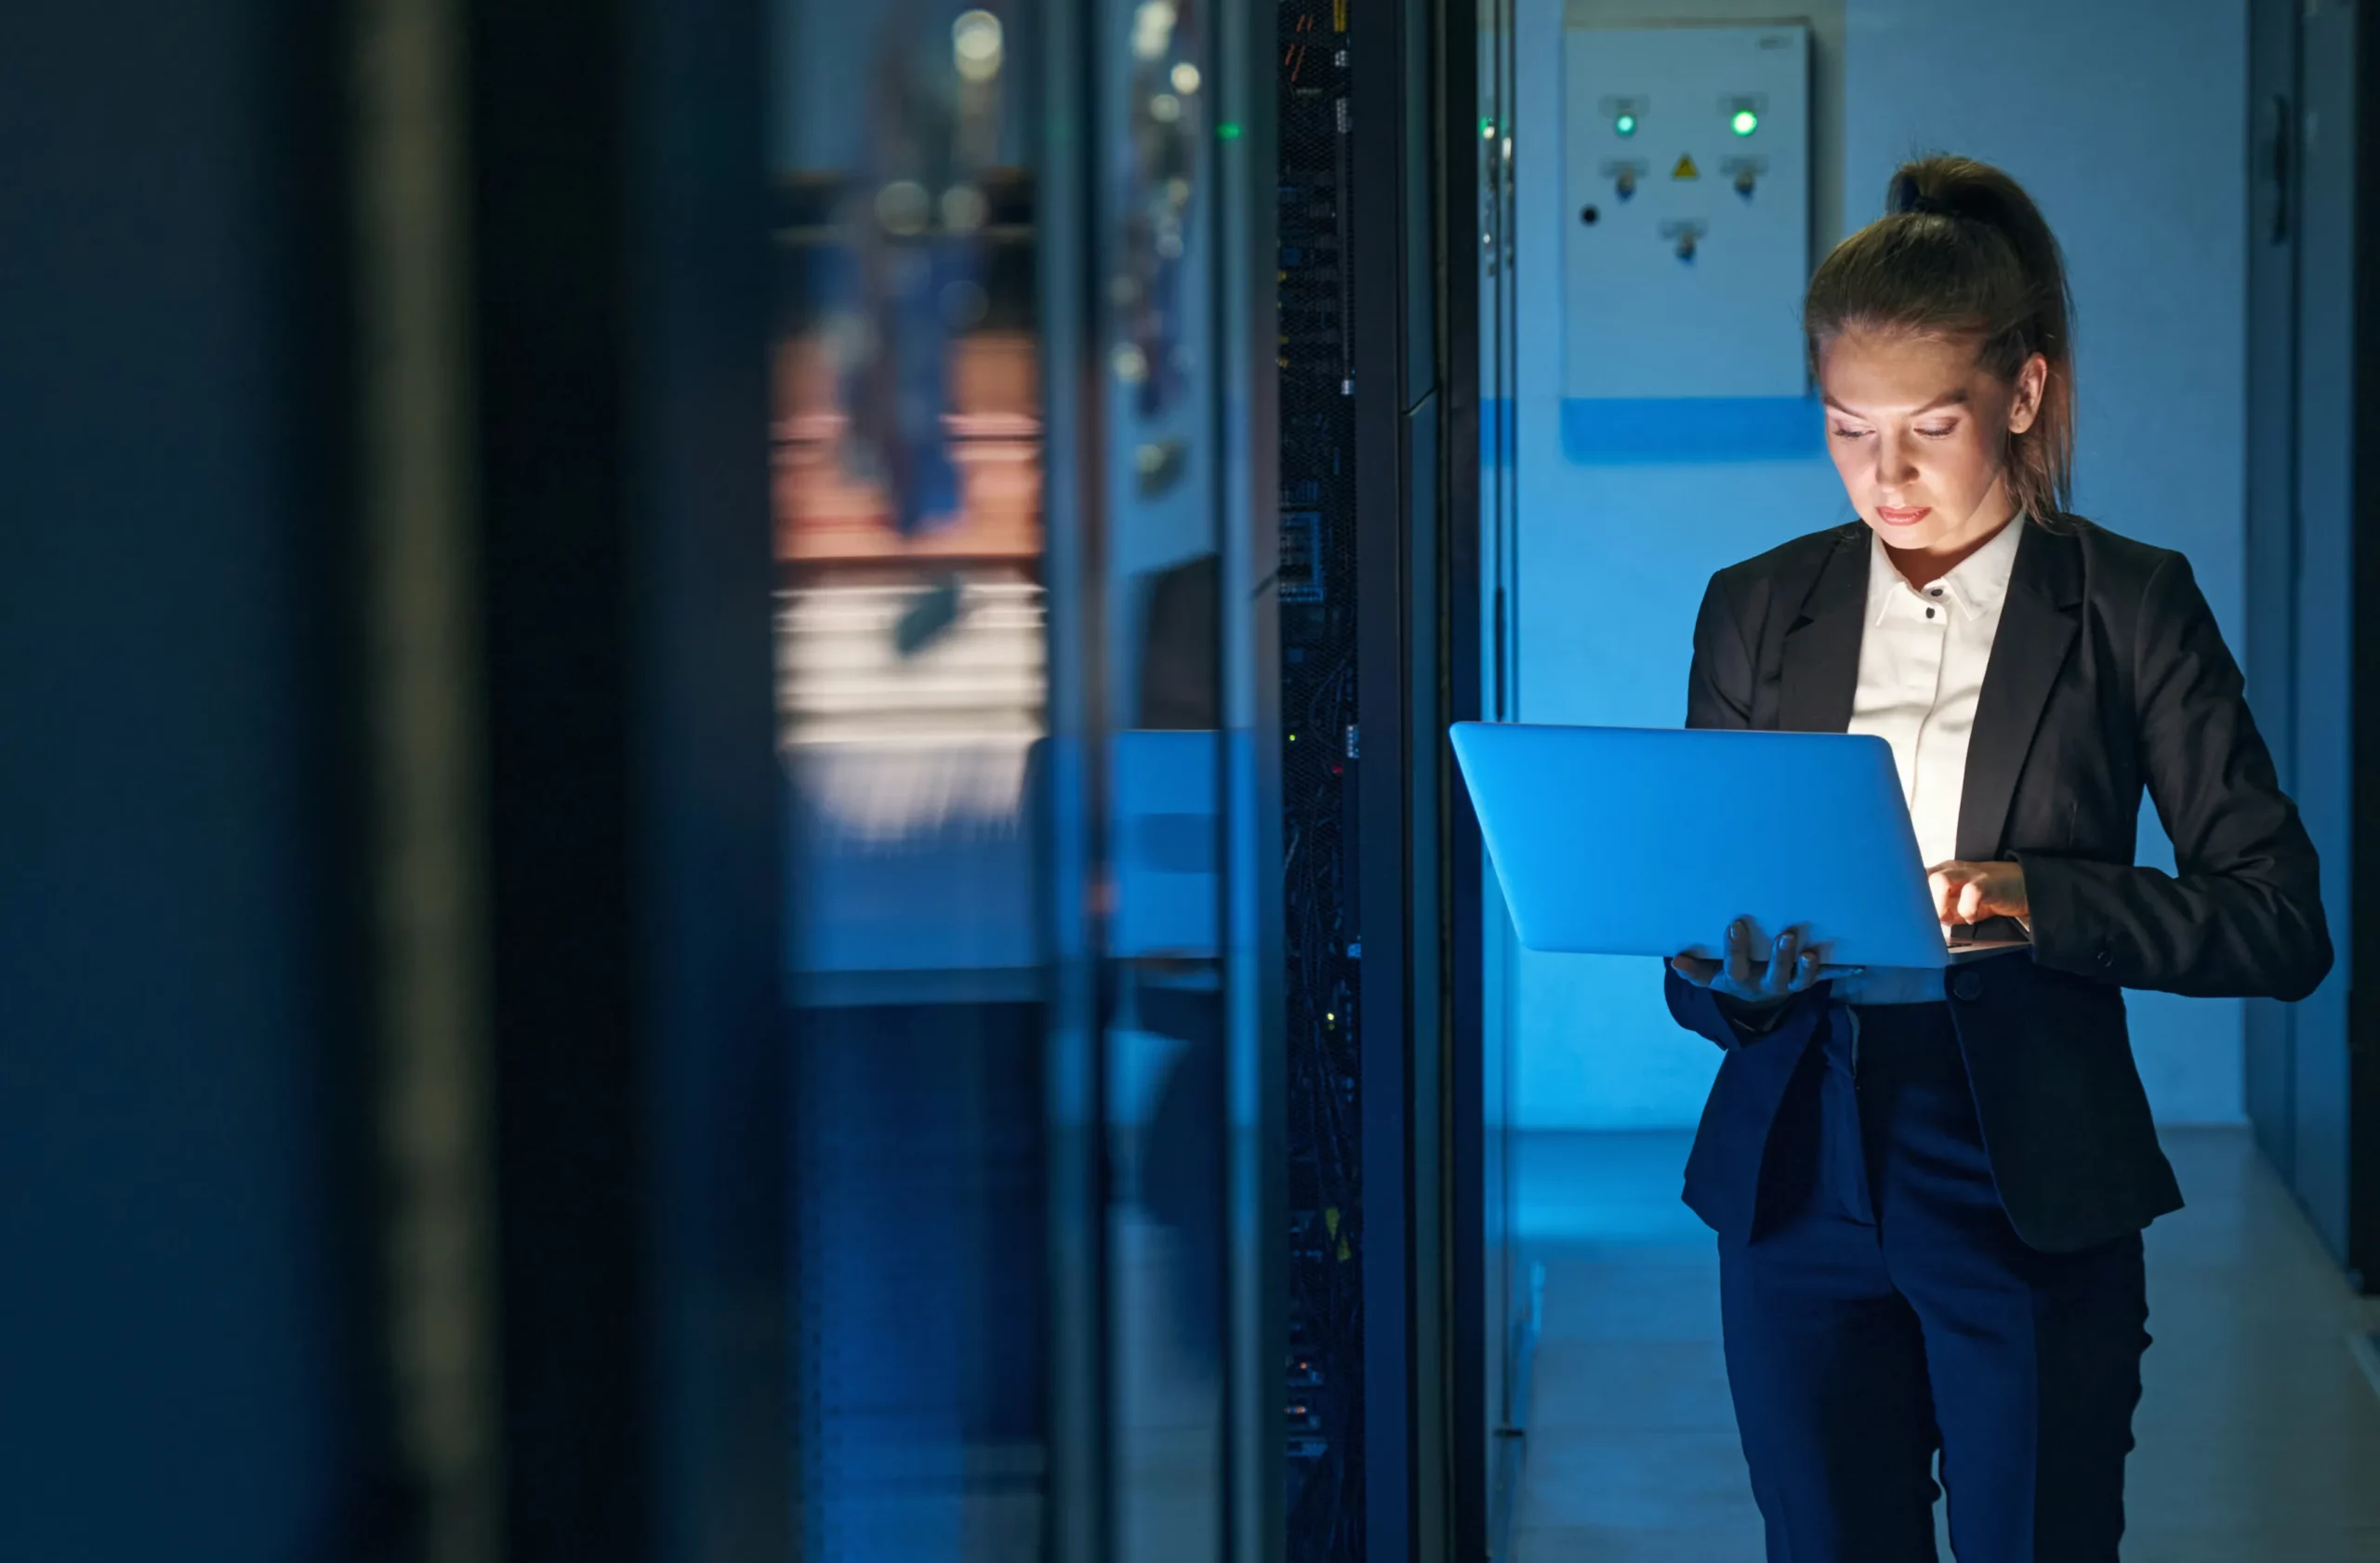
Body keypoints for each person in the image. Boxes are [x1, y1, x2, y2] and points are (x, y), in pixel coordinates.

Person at [1663, 155, 2332, 1561]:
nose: (1884, 475)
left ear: (2021, 398)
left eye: (1929, 427)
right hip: (1795, 1173)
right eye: (1848, 429)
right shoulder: (1755, 609)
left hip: (2023, 1162)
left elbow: (2276, 921)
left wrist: (2036, 900)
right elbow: (1696, 957)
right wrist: (1737, 975)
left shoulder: (2129, 606)